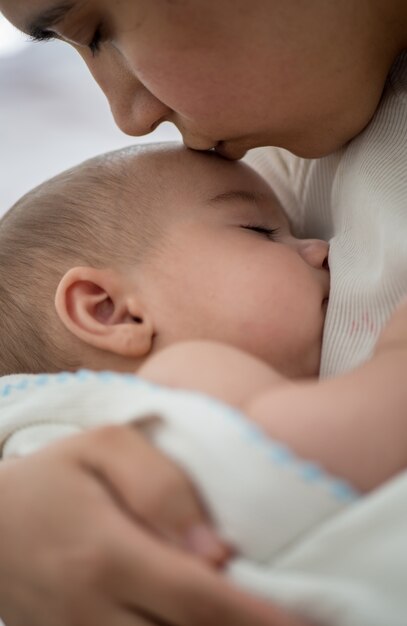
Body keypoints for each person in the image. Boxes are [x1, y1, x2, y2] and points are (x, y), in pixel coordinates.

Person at [0, 1, 406, 625]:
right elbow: (322, 441)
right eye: (259, 232)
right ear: (109, 311)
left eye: (98, 30)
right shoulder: (177, 381)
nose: (318, 249)